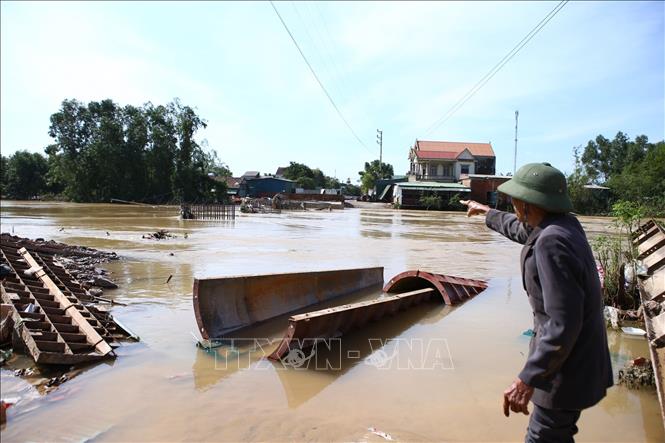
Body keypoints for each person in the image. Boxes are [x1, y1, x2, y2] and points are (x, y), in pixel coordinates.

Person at [461, 162, 613, 443]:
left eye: (515, 201)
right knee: (556, 435)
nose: (514, 206)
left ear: (527, 204)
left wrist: (527, 378)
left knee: (542, 438)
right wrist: (488, 213)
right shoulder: (563, 226)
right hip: (580, 361)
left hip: (564, 368)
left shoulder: (551, 242)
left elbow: (563, 322)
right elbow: (525, 232)